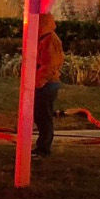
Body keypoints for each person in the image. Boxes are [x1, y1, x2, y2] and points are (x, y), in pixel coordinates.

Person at [33, 13, 64, 156]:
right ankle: (42, 146)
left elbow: (50, 64)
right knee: (41, 115)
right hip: (45, 82)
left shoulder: (49, 40)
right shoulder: (46, 38)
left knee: (43, 116)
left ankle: (44, 148)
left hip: (46, 83)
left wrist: (39, 82)